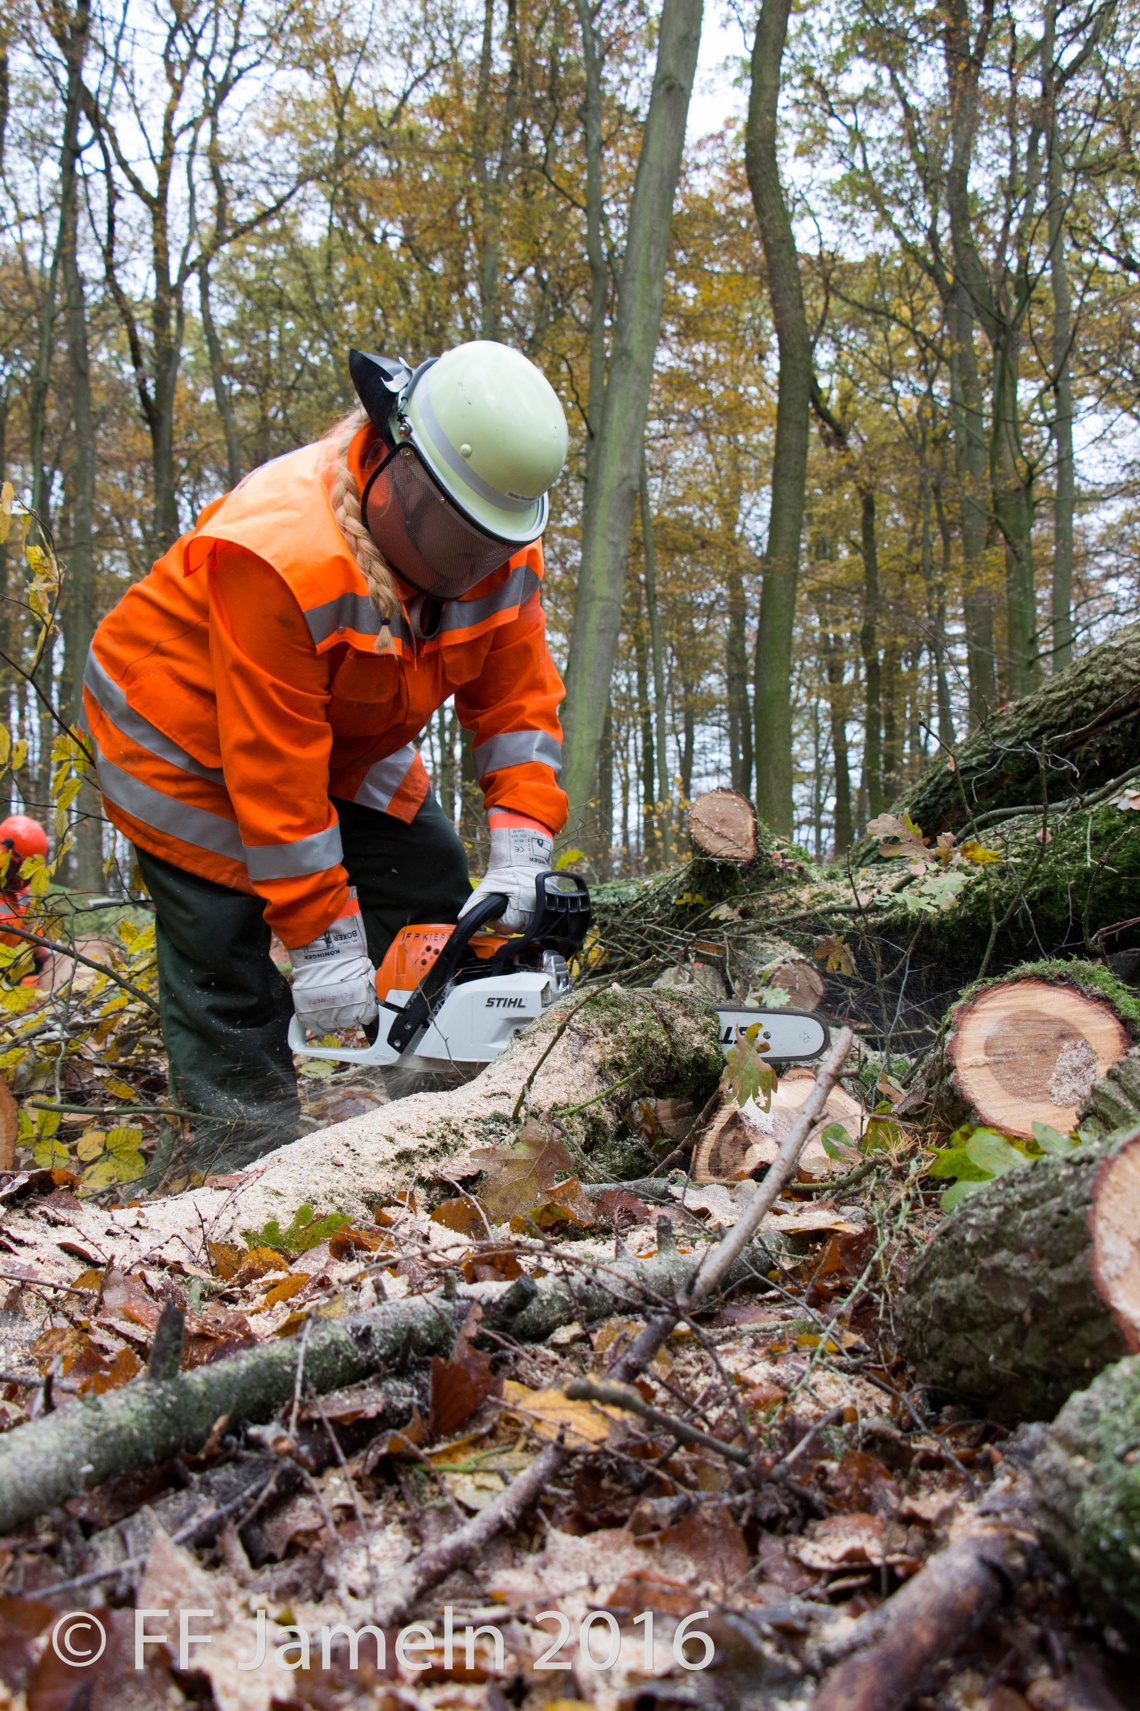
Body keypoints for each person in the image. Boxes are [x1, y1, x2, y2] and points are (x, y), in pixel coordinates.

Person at [83, 340, 570, 1171]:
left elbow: (518, 703)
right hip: (180, 736)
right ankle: (242, 1164)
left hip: (340, 725)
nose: (463, 566)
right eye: (447, 534)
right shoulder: (281, 554)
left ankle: (442, 1102)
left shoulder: (502, 555)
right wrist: (324, 945)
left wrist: (523, 844)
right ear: (390, 455)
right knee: (225, 947)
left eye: (481, 544)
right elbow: (275, 779)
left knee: (430, 880)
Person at [0, 814, 50, 985]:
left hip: (19, 965)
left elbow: (37, 934)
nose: (21, 880)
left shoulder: (23, 894)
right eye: (20, 871)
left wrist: (47, 951)